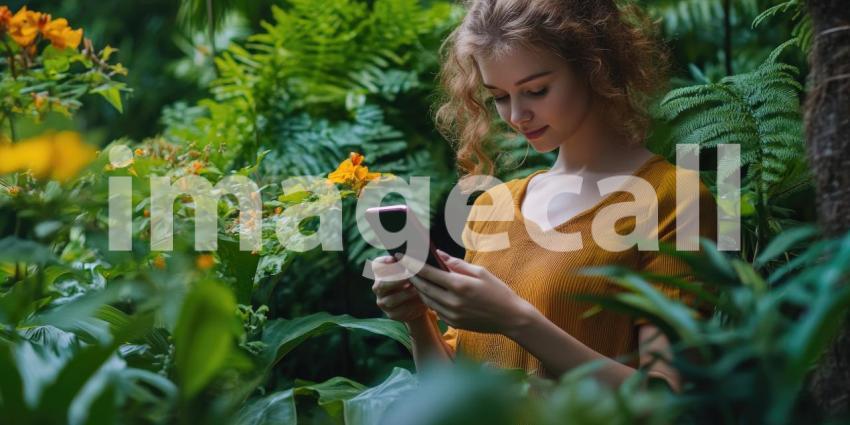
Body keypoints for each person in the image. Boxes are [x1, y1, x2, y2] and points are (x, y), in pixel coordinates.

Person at [370, 0, 716, 392]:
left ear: (594, 66)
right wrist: (418, 319)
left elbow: (666, 401)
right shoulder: (492, 207)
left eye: (536, 90)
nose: (517, 116)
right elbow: (451, 395)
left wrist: (515, 319)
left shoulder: (673, 197)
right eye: (499, 96)